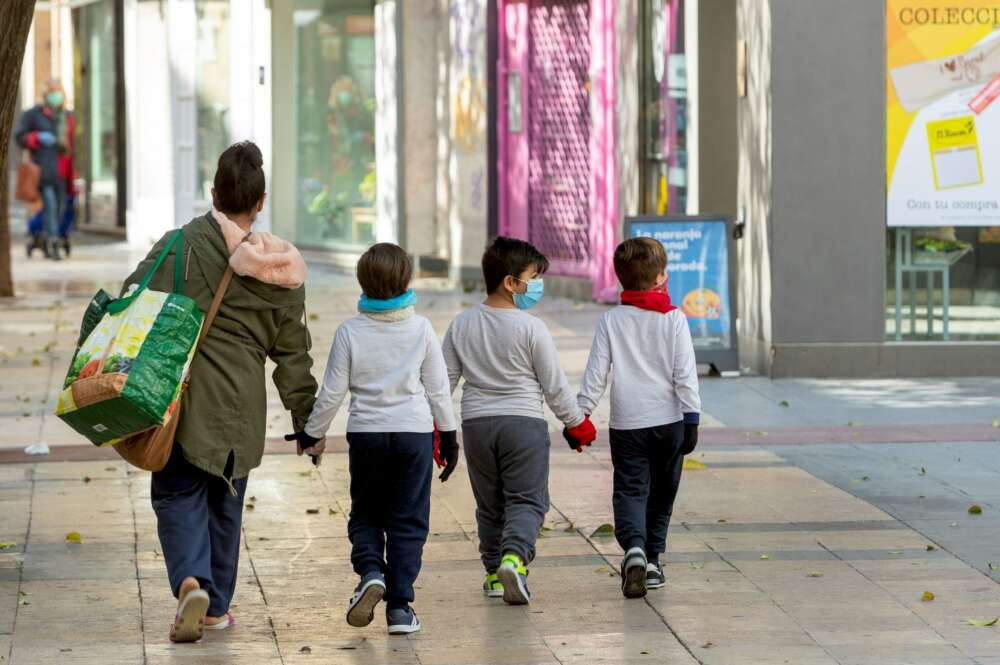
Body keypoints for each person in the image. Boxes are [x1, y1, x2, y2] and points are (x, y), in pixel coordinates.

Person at [121, 141, 321, 643]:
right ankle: (216, 607)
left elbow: (132, 299)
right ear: (260, 201)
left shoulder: (181, 245)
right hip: (242, 407)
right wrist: (306, 422)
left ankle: (191, 580)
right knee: (226, 501)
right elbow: (293, 353)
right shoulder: (283, 269)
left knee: (177, 493)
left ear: (214, 193)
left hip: (184, 401)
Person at [285, 243, 458, 636]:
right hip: (413, 434)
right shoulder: (421, 328)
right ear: (407, 281)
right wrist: (448, 437)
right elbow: (438, 390)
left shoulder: (350, 331)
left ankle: (369, 572)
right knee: (408, 519)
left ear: (362, 282)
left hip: (366, 437)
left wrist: (313, 434)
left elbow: (332, 393)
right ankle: (399, 608)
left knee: (366, 512)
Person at [441, 236, 596, 605]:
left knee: (490, 504)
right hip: (523, 424)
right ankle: (515, 558)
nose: (538, 285)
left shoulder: (461, 323)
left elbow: (442, 383)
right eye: (534, 276)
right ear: (511, 282)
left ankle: (495, 574)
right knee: (527, 501)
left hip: (477, 425)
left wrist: (436, 427)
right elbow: (554, 386)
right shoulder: (531, 328)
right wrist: (577, 425)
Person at [574, 237, 701, 599]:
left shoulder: (611, 320)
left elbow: (595, 376)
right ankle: (654, 562)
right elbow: (684, 373)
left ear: (620, 279)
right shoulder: (674, 318)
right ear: (661, 277)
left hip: (627, 424)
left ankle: (634, 550)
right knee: (662, 493)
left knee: (630, 489)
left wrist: (580, 416)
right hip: (670, 422)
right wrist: (692, 417)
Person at [15, 79, 76, 260]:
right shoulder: (34, 114)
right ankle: (53, 243)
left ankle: (47, 236)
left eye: (58, 92)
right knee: (49, 207)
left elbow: (73, 146)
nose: (56, 96)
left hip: (63, 172)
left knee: (61, 209)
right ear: (45, 95)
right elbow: (19, 137)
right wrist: (37, 138)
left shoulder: (67, 116)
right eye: (52, 92)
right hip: (43, 171)